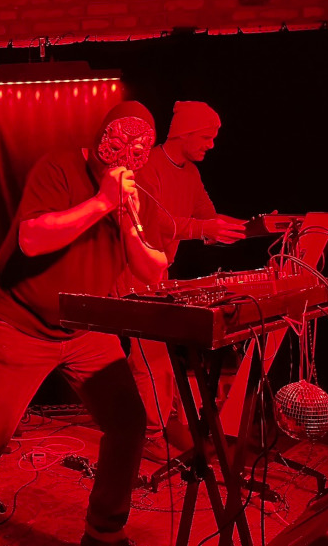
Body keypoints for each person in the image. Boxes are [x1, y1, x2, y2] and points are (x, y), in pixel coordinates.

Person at [0, 101, 168, 546]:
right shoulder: (59, 167)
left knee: (129, 422)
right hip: (21, 322)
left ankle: (103, 530)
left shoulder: (139, 190)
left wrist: (125, 221)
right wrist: (101, 202)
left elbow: (153, 271)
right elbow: (32, 239)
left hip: (86, 328)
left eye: (138, 151)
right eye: (118, 145)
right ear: (101, 139)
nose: (126, 157)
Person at [122, 101, 245, 462]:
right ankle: (150, 433)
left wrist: (245, 228)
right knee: (150, 356)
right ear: (185, 134)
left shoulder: (190, 172)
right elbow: (155, 221)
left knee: (158, 354)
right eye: (206, 137)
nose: (211, 145)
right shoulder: (148, 166)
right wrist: (205, 229)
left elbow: (206, 214)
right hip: (131, 267)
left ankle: (159, 423)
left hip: (159, 270)